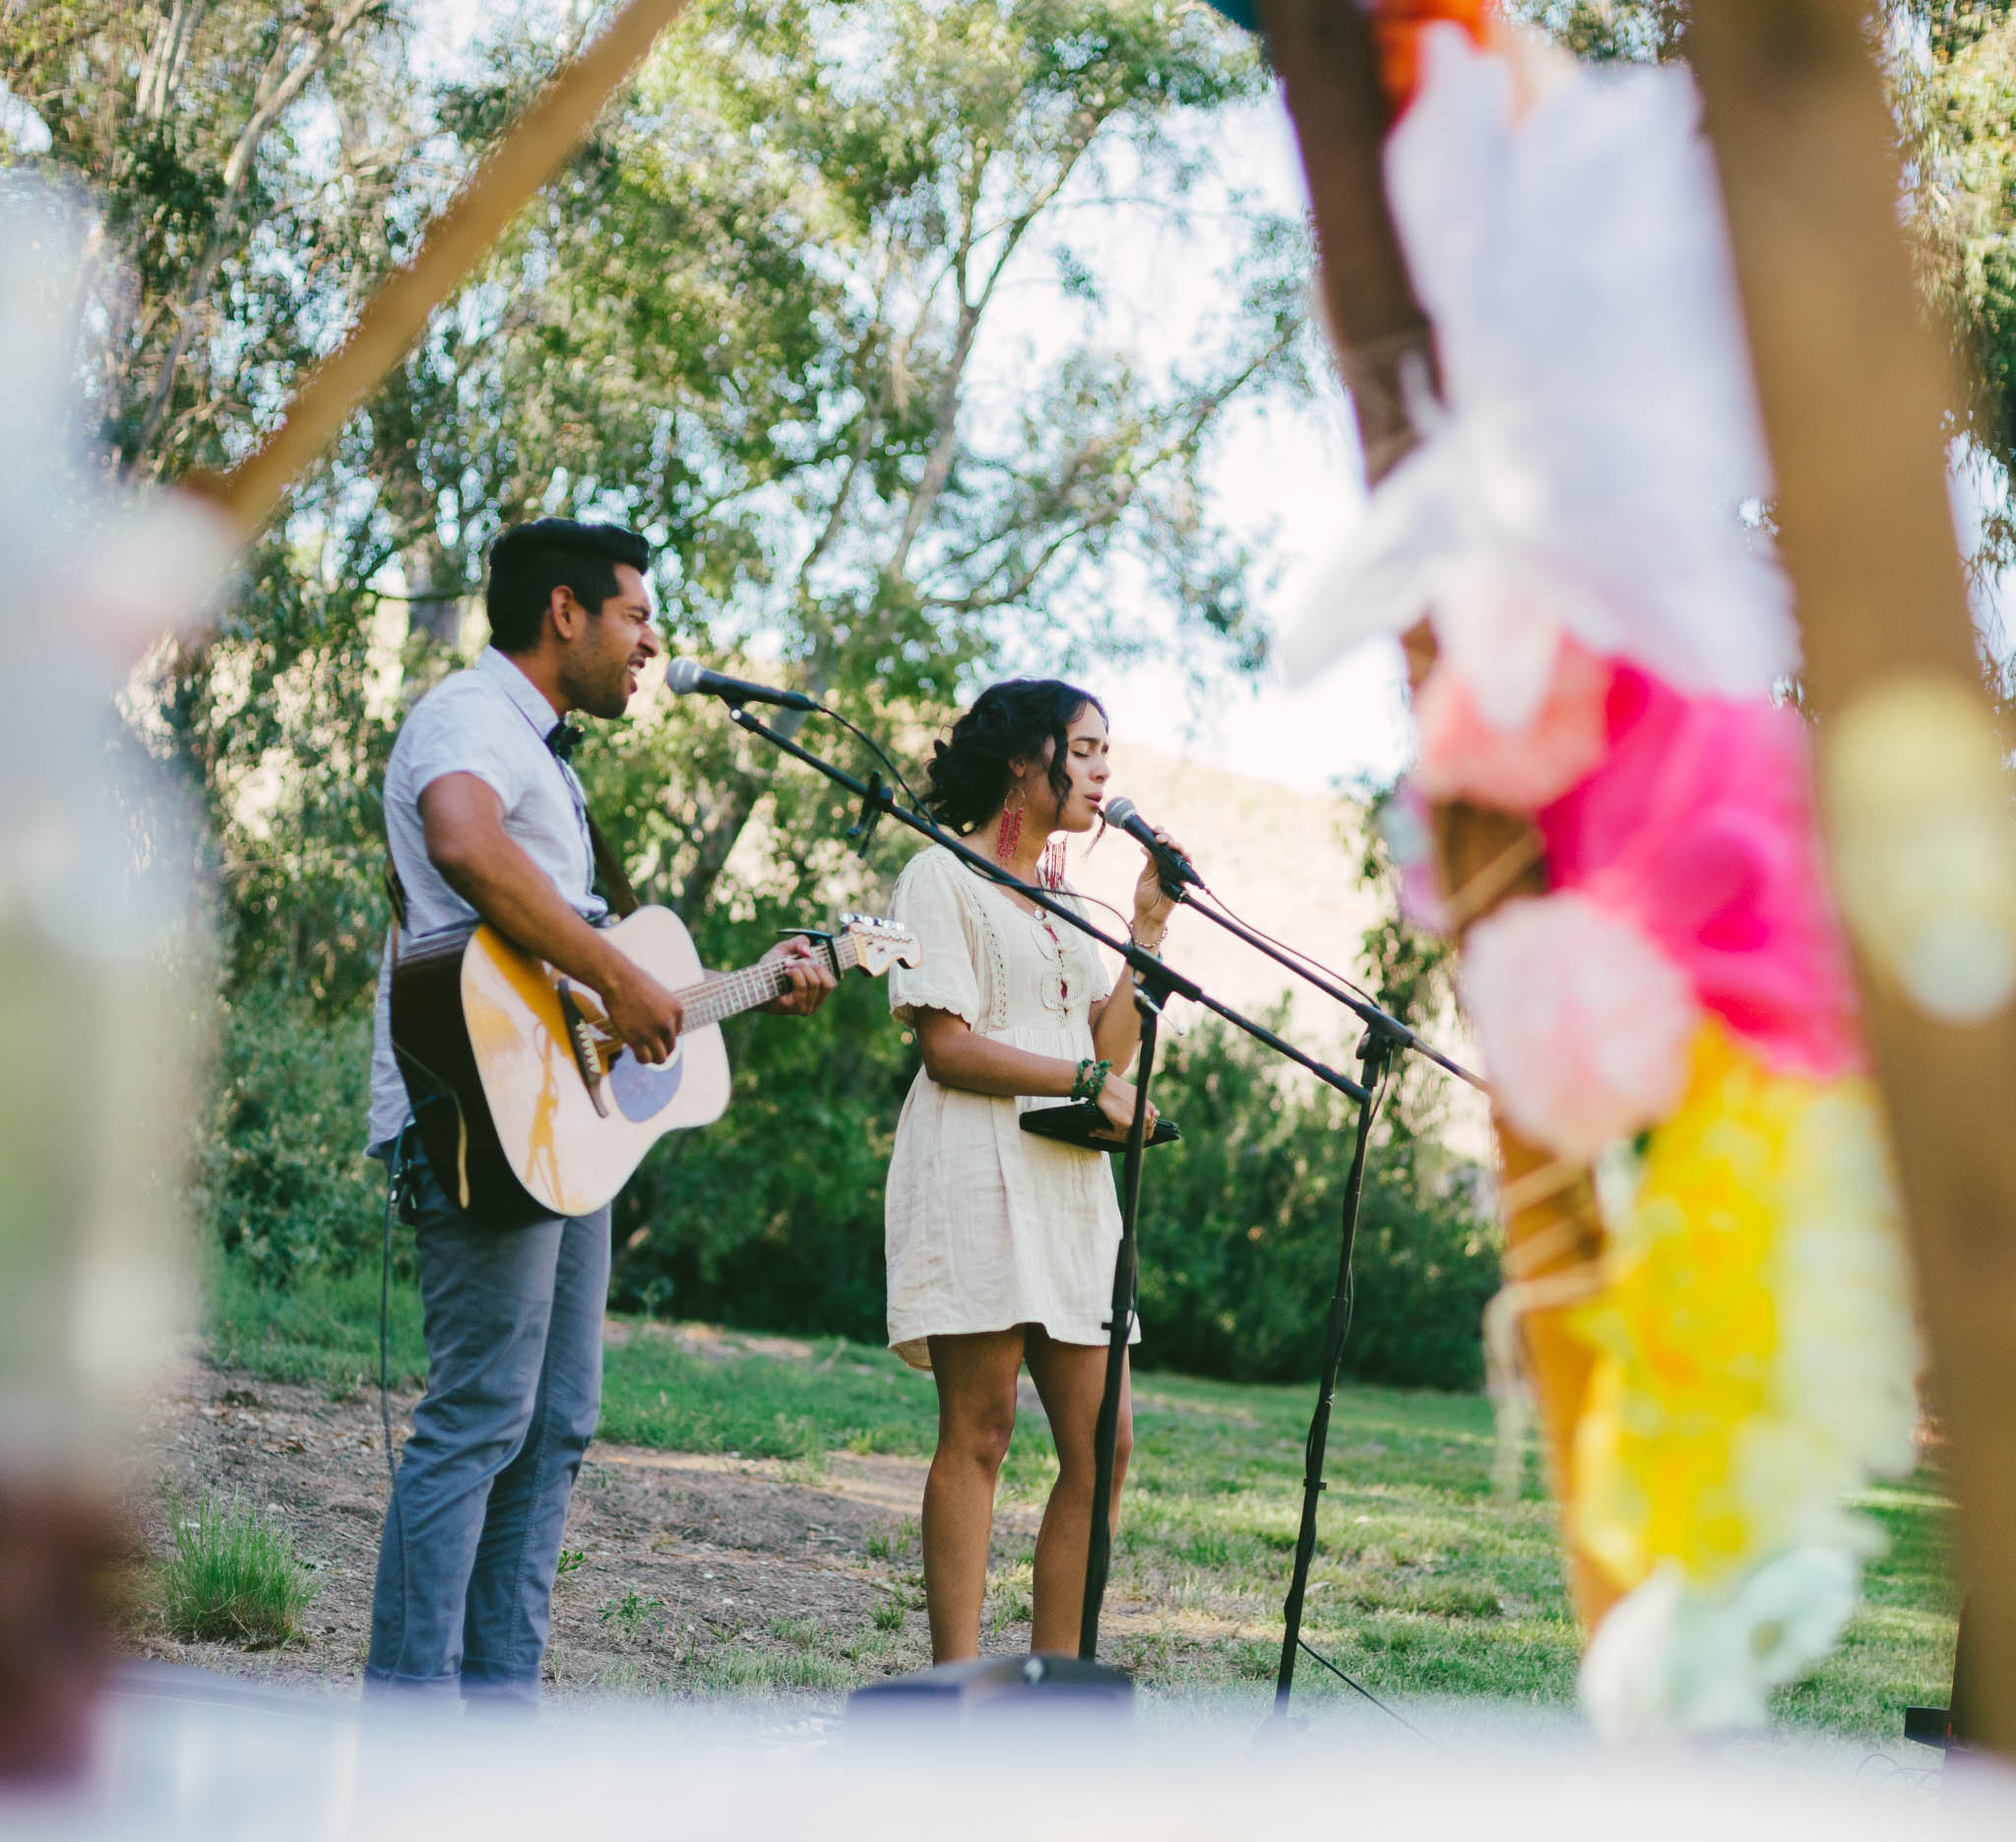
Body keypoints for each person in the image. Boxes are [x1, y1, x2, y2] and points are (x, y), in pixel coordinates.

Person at [362, 517, 836, 1708]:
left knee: (558, 1419)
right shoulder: (469, 718)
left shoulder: (552, 760)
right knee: (480, 1411)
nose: (651, 641)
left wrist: (728, 986)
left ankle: (499, 1708)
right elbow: (463, 842)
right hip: (476, 1106)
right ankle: (410, 1712)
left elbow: (584, 982)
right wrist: (619, 975)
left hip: (559, 1125)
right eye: (635, 614)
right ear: (562, 611)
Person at [883, 678, 1182, 1662]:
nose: (1102, 771)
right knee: (979, 1429)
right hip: (973, 1162)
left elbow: (1108, 1040)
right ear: (1024, 757)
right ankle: (956, 1682)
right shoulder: (940, 877)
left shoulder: (1065, 900)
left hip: (1065, 1185)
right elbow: (946, 1046)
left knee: (1104, 1446)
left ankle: (1059, 1683)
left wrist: (1142, 938)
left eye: (1107, 753)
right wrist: (1088, 1077)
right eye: (1085, 748)